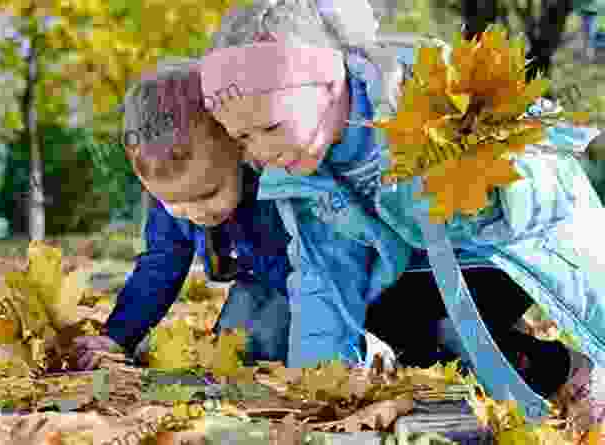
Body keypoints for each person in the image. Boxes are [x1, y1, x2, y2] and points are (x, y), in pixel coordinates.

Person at [199, 0, 605, 435]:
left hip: (511, 254)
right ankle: (524, 360)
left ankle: (568, 372)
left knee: (456, 325)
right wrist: (319, 382)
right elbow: (325, 274)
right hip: (425, 272)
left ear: (328, 85)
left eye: (272, 128)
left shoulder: (426, 93)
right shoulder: (302, 172)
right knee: (400, 320)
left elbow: (536, 188)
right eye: (243, 138)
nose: (260, 152)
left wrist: (470, 190)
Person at [72, 57, 397, 372]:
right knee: (238, 345)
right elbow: (160, 265)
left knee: (288, 337)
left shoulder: (279, 184)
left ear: (240, 147)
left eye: (208, 194)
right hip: (263, 287)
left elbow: (328, 266)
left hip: (341, 286)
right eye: (173, 203)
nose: (194, 213)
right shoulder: (177, 197)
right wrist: (118, 337)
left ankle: (373, 348)